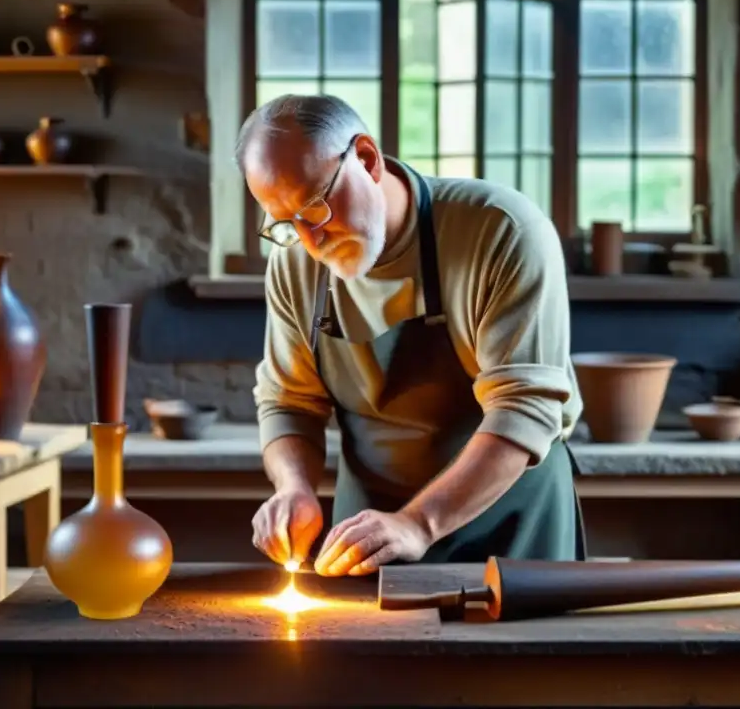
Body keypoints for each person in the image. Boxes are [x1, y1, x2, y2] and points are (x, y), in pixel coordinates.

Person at [239, 94, 585, 578]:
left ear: (366, 158)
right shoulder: (296, 262)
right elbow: (289, 402)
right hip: (369, 532)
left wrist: (418, 523)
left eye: (315, 206)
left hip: (507, 522)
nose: (311, 241)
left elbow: (523, 409)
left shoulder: (500, 231)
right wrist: (293, 487)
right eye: (285, 223)